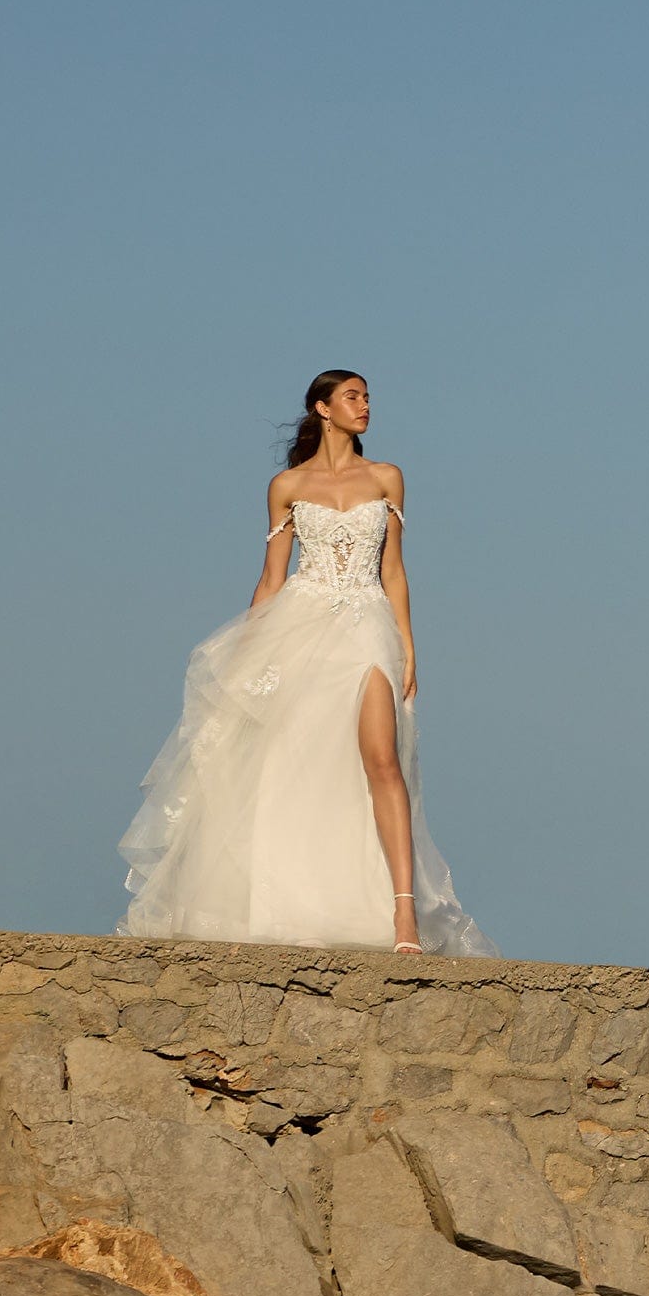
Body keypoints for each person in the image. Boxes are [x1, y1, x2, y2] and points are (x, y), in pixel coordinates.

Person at [120, 369, 491, 954]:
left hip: (369, 626)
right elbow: (272, 578)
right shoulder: (286, 486)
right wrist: (245, 654)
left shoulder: (387, 477)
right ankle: (290, 901)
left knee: (383, 760)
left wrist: (408, 647)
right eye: (353, 396)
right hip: (300, 626)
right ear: (323, 408)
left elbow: (393, 570)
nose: (365, 405)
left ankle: (404, 920)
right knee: (292, 763)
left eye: (367, 397)